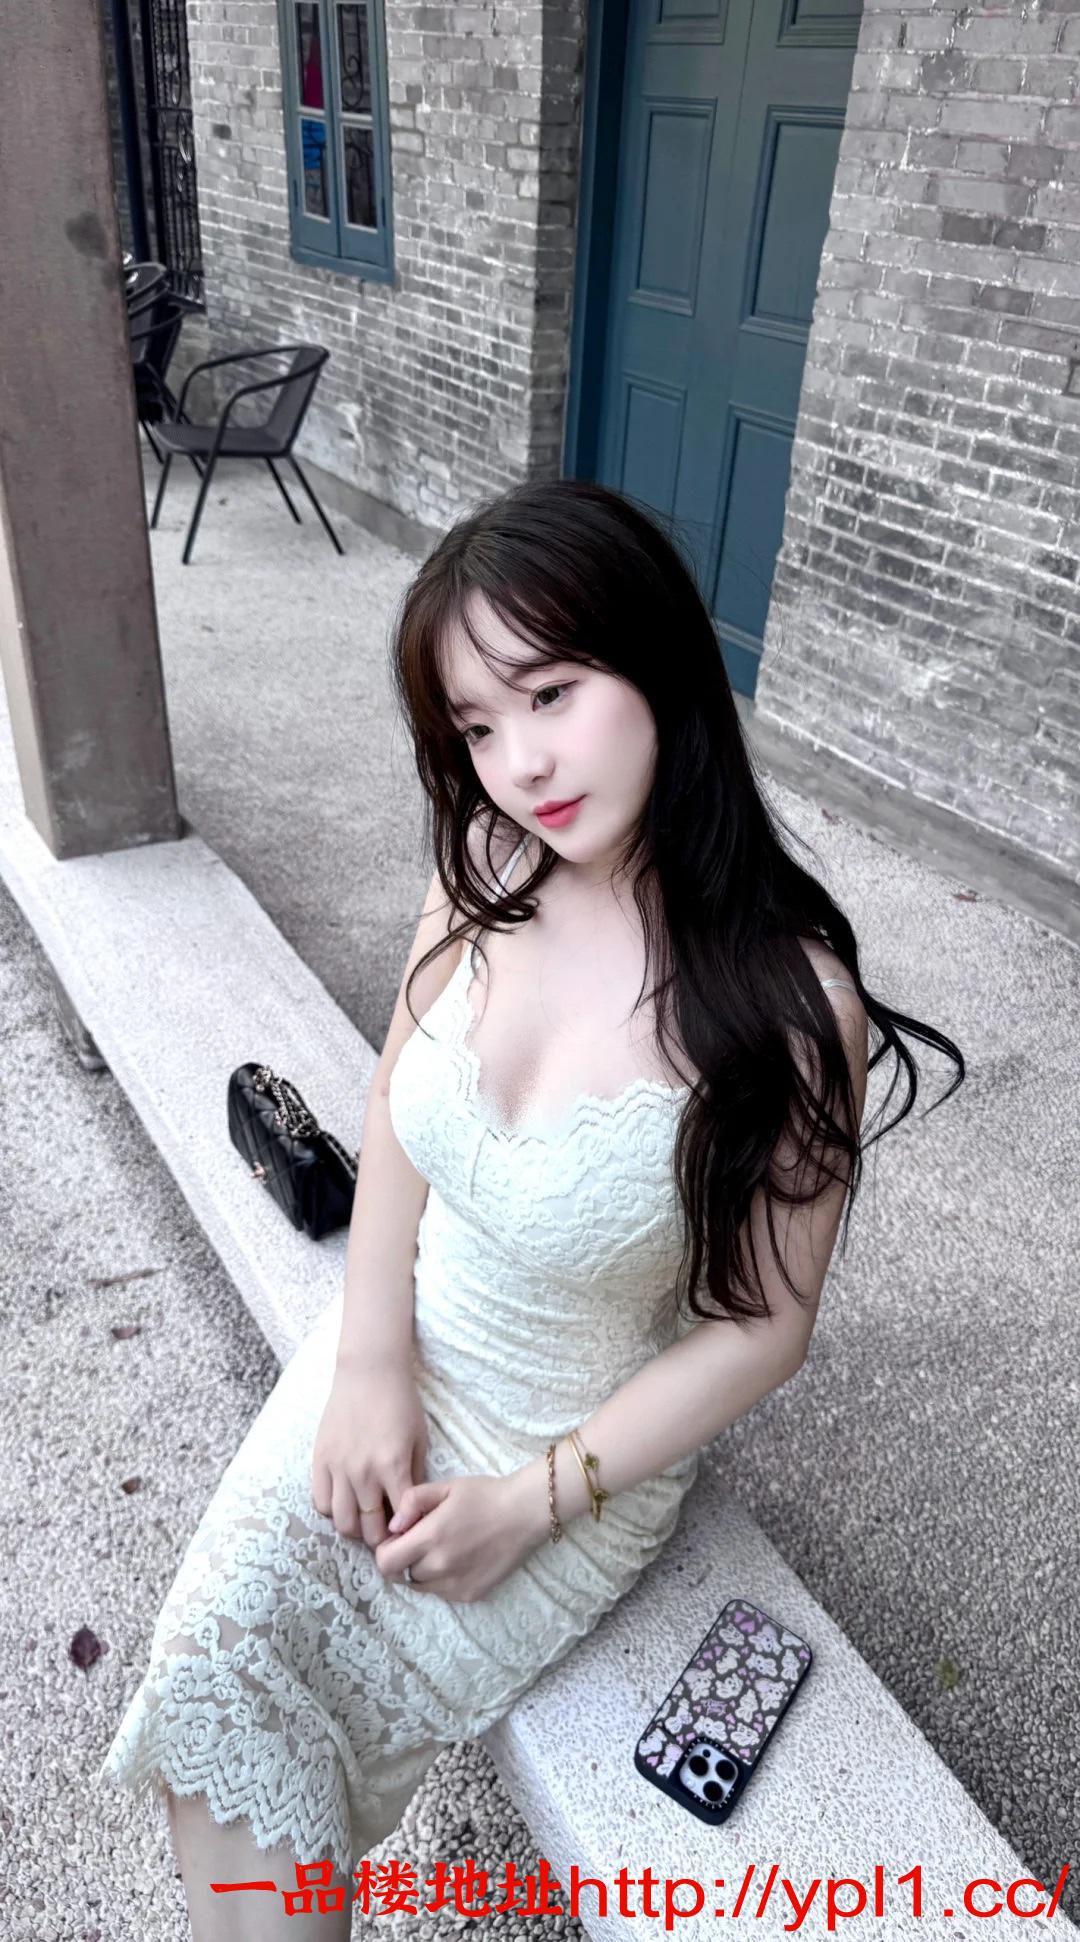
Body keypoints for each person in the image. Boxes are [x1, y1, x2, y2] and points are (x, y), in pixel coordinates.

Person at [95, 478, 965, 1939]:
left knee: (292, 1701)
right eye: (478, 728)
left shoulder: (785, 1007)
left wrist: (529, 1504)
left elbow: (765, 1331)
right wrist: (369, 1355)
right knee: (209, 1674)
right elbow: (394, 1099)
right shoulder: (487, 869)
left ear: (661, 663)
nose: (521, 765)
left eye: (551, 694)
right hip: (402, 1348)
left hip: (568, 1457)